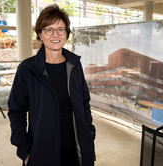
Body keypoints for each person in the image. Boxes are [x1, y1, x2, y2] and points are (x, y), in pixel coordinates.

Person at [8, 4, 96, 166]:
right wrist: (25, 150)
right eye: (49, 29)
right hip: (43, 151)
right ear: (40, 34)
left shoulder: (74, 65)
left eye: (61, 29)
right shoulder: (28, 69)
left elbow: (84, 102)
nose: (55, 35)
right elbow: (16, 111)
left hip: (77, 151)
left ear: (67, 34)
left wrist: (89, 132)